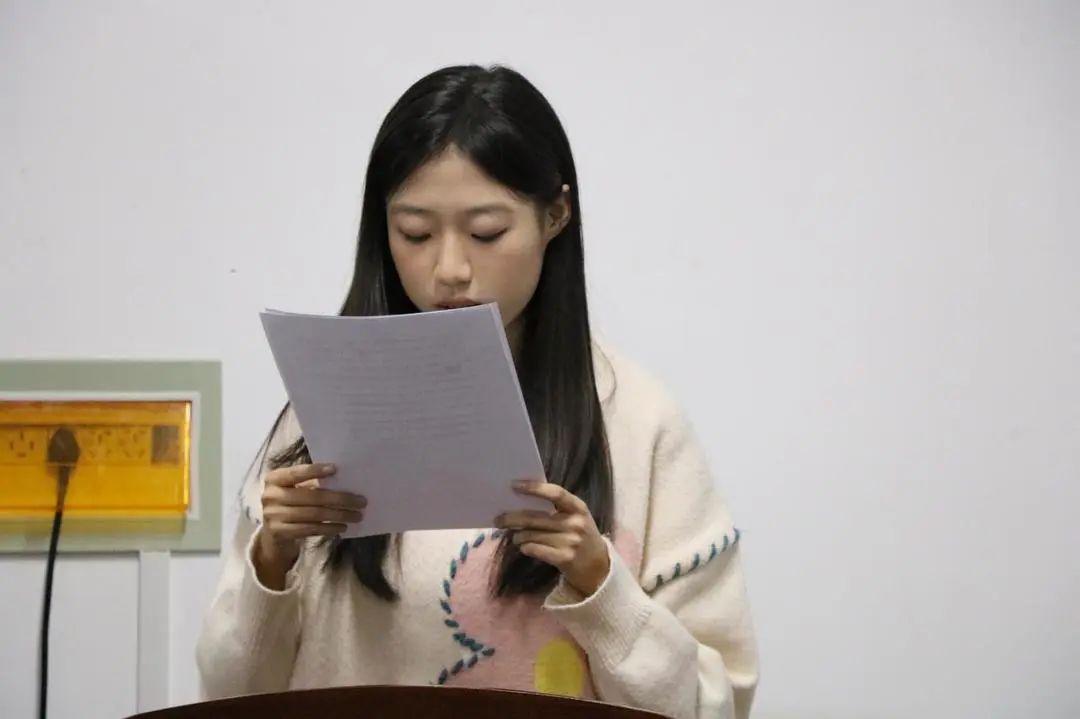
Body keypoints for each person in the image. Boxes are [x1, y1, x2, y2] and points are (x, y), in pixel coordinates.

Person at [196, 64, 759, 719]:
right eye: (414, 233)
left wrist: (600, 584)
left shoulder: (639, 422)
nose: (450, 269)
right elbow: (227, 693)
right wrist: (271, 559)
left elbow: (716, 705)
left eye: (487, 232)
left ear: (556, 214)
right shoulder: (322, 414)